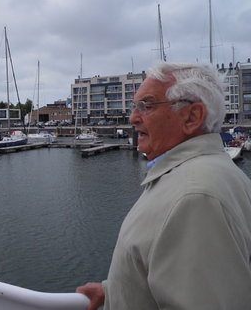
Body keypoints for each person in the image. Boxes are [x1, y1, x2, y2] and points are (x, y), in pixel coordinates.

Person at [77, 62, 251, 309]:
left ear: (192, 117)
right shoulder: (208, 174)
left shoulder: (194, 197)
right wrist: (113, 291)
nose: (133, 117)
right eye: (134, 106)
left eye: (146, 106)